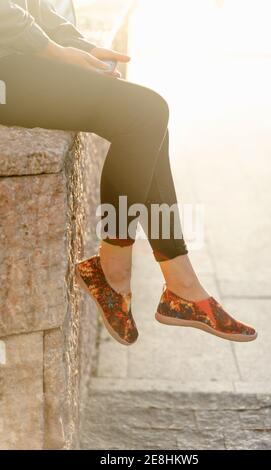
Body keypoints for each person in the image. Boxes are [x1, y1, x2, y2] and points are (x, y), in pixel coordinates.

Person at [0, 1, 257, 345]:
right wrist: (56, 52)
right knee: (147, 114)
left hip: (19, 60)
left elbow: (34, 6)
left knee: (150, 122)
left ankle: (179, 284)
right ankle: (118, 272)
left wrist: (82, 46)